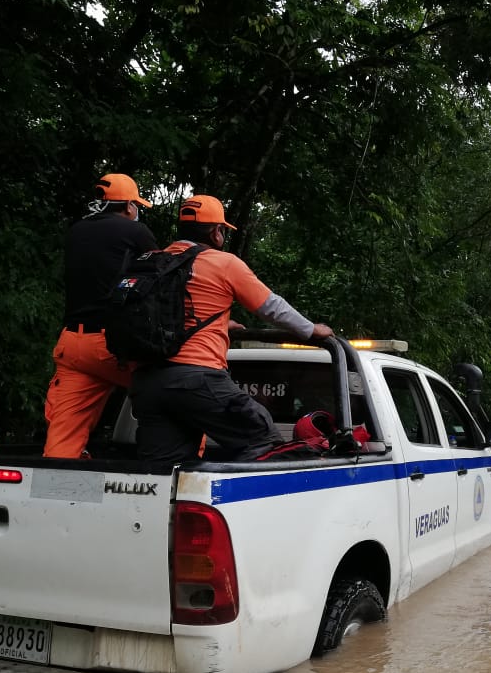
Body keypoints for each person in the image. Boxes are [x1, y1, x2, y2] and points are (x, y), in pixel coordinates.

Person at [128, 195, 334, 464]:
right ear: (216, 231)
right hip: (197, 379)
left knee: (163, 471)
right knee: (262, 439)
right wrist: (311, 330)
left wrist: (221, 323)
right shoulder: (223, 263)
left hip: (147, 382)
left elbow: (169, 314)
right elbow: (271, 306)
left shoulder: (153, 262)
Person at [43, 173, 158, 457]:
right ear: (129, 205)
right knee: (180, 397)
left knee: (63, 438)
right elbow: (161, 282)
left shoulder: (76, 231)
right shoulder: (136, 232)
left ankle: (56, 488)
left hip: (73, 345)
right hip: (115, 345)